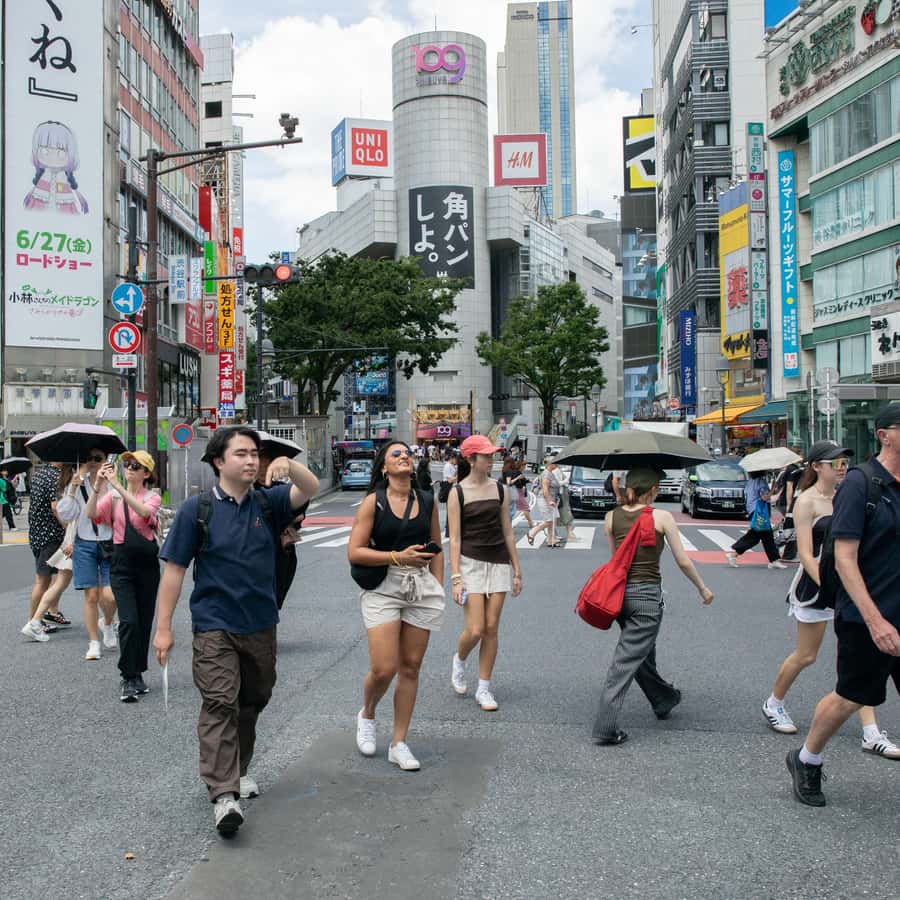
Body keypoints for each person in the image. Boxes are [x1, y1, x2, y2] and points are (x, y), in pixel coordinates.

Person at [153, 426, 318, 834]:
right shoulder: (198, 509)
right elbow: (174, 570)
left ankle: (238, 768)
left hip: (261, 623)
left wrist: (290, 465)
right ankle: (224, 795)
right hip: (214, 624)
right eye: (241, 454)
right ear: (218, 462)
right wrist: (163, 628)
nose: (251, 460)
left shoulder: (270, 502)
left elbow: (309, 486)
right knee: (219, 702)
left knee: (253, 700)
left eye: (255, 454)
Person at [786, 406, 900, 807]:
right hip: (868, 616)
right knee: (850, 697)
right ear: (885, 435)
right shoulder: (861, 484)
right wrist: (875, 620)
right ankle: (807, 758)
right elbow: (845, 558)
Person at [763, 442, 898, 757]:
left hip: (853, 588)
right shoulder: (807, 501)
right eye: (833, 461)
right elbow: (808, 555)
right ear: (816, 467)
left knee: (862, 662)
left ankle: (871, 731)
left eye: (843, 461)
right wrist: (833, 589)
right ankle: (774, 703)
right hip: (817, 588)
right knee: (807, 655)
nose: (841, 466)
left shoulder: (853, 494)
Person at [593, 468, 714, 745]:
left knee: (643, 653)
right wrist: (702, 588)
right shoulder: (662, 517)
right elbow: (683, 560)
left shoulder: (612, 517)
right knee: (626, 661)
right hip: (647, 597)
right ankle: (606, 725)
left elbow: (616, 562)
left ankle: (663, 699)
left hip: (621, 595)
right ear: (653, 491)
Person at [347, 441, 444, 772]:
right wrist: (395, 557)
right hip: (384, 585)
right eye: (396, 454)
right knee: (384, 667)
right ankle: (368, 713)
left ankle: (399, 742)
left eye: (407, 454)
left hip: (420, 586)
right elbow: (355, 552)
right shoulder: (373, 503)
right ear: (384, 468)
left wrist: (438, 586)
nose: (404, 457)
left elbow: (437, 547)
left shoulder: (427, 501)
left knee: (411, 667)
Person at [448, 436, 523, 711]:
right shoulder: (458, 492)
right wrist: (455, 577)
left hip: (499, 562)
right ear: (471, 460)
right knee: (476, 628)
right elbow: (454, 539)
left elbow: (507, 531)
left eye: (492, 456)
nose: (491, 460)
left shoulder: (500, 489)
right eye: (486, 456)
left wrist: (517, 570)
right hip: (470, 563)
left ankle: (484, 688)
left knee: (492, 628)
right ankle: (459, 658)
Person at [85, 451, 161, 703]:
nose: (129, 468)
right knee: (128, 621)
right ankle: (128, 677)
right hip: (121, 564)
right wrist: (97, 487)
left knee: (143, 621)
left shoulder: (153, 496)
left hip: (147, 566)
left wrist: (117, 485)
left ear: (146, 473)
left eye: (136, 465)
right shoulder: (113, 497)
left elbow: (143, 513)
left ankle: (138, 672)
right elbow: (91, 514)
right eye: (126, 464)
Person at [56, 449, 118, 660]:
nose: (93, 463)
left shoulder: (112, 483)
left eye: (98, 459)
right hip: (84, 544)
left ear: (105, 461)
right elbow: (65, 514)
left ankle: (108, 623)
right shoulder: (77, 484)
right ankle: (93, 643)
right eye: (88, 459)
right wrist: (73, 486)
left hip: (110, 543)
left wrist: (110, 482)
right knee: (91, 596)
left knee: (110, 595)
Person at [20, 463, 72, 641]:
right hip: (49, 533)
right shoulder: (54, 477)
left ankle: (49, 612)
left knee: (53, 576)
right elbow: (56, 507)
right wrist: (67, 528)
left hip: (37, 533)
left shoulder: (40, 473)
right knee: (43, 580)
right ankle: (34, 621)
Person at [257, 445, 306, 610]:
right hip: (259, 547)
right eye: (260, 467)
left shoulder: (280, 489)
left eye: (267, 466)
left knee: (278, 589)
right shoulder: (248, 489)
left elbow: (300, 513)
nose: (263, 471)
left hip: (282, 548)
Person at [725, 471, 786, 569]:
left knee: (767, 535)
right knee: (755, 536)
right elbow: (764, 497)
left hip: (753, 510)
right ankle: (733, 554)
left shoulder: (751, 481)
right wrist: (773, 488)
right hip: (759, 511)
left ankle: (774, 559)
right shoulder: (761, 482)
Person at [526, 458, 562, 547]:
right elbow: (545, 489)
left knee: (553, 520)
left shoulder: (550, 473)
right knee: (549, 520)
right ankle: (532, 533)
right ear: (550, 464)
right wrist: (549, 501)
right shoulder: (546, 474)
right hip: (545, 500)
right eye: (555, 463)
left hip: (550, 500)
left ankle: (551, 540)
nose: (557, 465)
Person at [553, 464, 578, 542]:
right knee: (563, 513)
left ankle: (555, 535)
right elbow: (557, 483)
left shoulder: (557, 470)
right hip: (560, 494)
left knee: (558, 515)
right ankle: (569, 534)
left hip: (561, 494)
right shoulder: (555, 471)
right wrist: (565, 481)